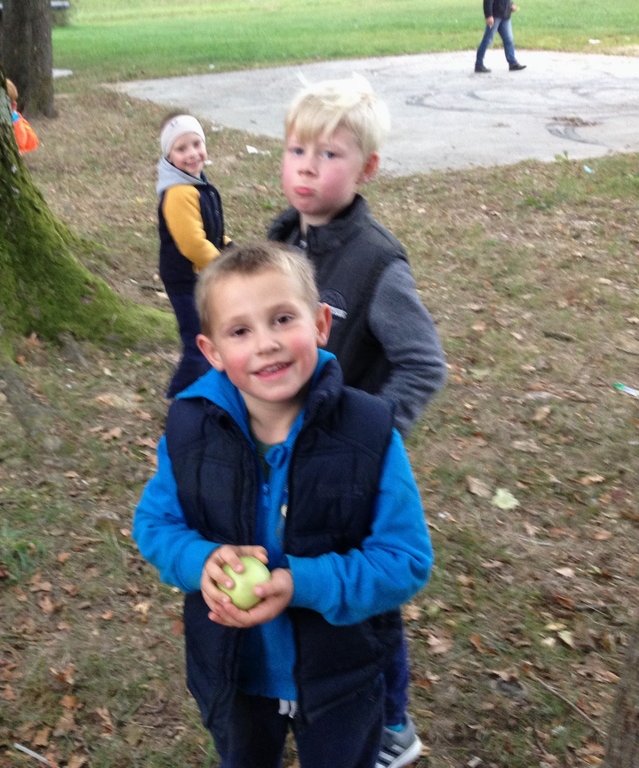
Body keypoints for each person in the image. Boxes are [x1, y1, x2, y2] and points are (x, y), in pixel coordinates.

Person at [132, 241, 433, 768]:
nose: (267, 343)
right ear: (211, 351)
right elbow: (155, 524)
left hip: (342, 675)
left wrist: (302, 583)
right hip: (234, 672)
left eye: (282, 319)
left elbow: (405, 559)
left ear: (320, 324)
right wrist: (199, 560)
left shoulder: (369, 434)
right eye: (240, 331)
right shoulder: (190, 430)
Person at [266, 75, 447, 768]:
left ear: (367, 168)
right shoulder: (283, 240)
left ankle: (393, 724)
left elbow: (424, 364)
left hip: (351, 469)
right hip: (290, 458)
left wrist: (371, 439)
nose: (308, 168)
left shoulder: (376, 263)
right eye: (297, 150)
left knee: (368, 597)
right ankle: (301, 692)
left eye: (329, 154)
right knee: (306, 573)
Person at [156, 113, 231, 398]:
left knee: (210, 335)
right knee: (197, 341)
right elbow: (192, 244)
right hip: (185, 280)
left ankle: (209, 389)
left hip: (201, 276)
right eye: (181, 148)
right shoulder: (178, 193)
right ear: (169, 157)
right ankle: (180, 396)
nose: (191, 154)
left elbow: (211, 232)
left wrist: (230, 248)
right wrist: (223, 265)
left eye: (196, 144)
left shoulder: (199, 185)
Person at [474, 0, 526, 73]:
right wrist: (489, 15)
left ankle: (512, 63)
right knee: (487, 40)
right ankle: (479, 64)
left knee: (509, 39)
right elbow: (487, 1)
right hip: (495, 16)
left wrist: (511, 4)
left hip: (505, 16)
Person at [5, 79, 39, 154]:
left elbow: (31, 141)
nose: (15, 104)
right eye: (10, 102)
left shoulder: (15, 118)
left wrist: (16, 120)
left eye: (14, 101)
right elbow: (22, 141)